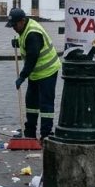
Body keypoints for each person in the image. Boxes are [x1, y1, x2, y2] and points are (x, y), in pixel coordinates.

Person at [7, 8, 60, 140]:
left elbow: (32, 58)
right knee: (31, 102)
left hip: (48, 71)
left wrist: (22, 76)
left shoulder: (33, 34)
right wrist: (18, 42)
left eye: (15, 25)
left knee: (46, 104)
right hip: (36, 73)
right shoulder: (25, 29)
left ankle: (45, 134)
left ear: (22, 21)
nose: (13, 28)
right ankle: (30, 132)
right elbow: (27, 43)